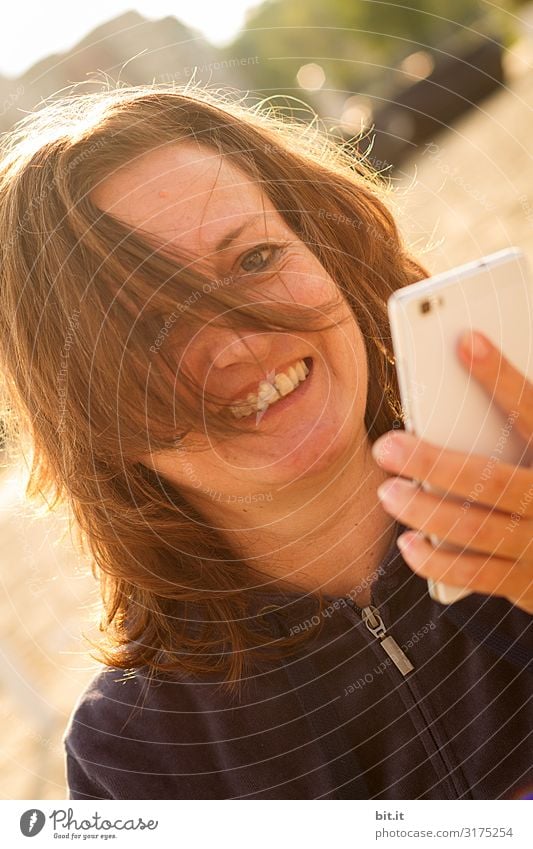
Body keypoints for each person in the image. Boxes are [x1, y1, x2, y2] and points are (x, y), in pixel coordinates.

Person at [0, 85, 531, 800]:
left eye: (253, 260)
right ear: (86, 413)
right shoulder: (134, 761)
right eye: (151, 326)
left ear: (327, 252)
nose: (238, 342)